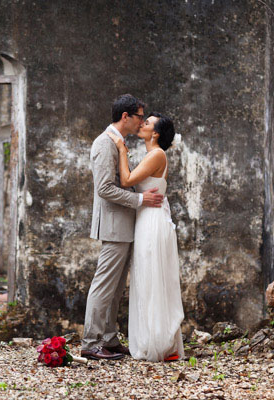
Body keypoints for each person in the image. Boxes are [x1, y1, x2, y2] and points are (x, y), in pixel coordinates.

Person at [81, 94, 164, 360]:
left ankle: (108, 338)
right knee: (104, 285)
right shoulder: (105, 143)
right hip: (114, 225)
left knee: (116, 288)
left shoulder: (119, 143)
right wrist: (141, 199)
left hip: (125, 225)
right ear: (126, 116)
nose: (142, 121)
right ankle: (91, 342)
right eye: (140, 116)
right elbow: (104, 188)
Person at [106, 112, 185, 362]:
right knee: (146, 278)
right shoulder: (152, 155)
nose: (143, 124)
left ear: (156, 133)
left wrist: (121, 149)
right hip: (146, 218)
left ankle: (160, 342)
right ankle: (153, 339)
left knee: (153, 277)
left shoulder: (157, 154)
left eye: (148, 123)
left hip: (152, 221)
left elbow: (127, 179)